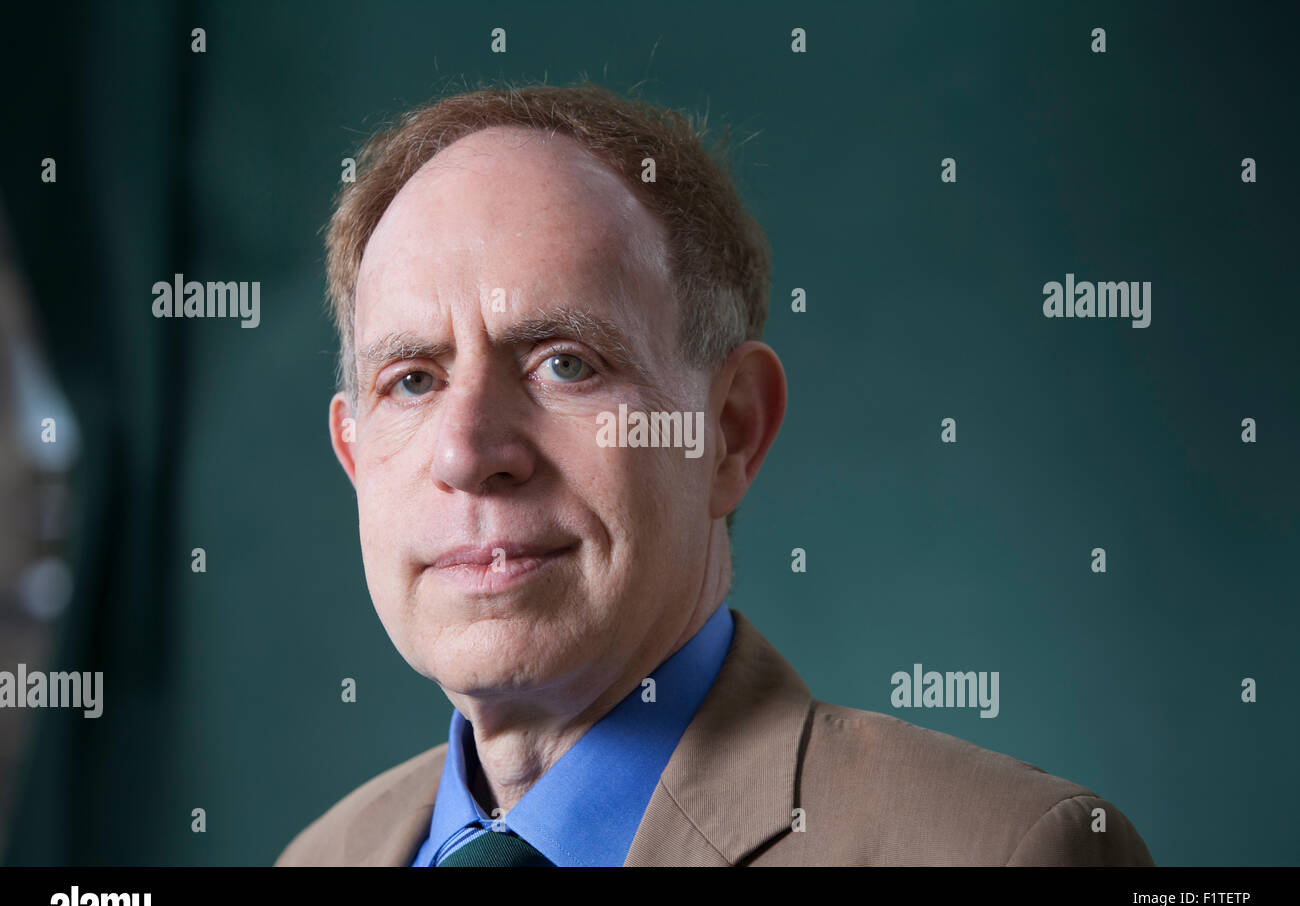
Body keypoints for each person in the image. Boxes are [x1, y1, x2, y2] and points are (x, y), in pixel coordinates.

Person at [275, 83, 1153, 866]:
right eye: (413, 381)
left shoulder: (1008, 853)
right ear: (354, 455)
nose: (466, 453)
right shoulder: (319, 857)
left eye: (565, 364)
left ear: (729, 431)